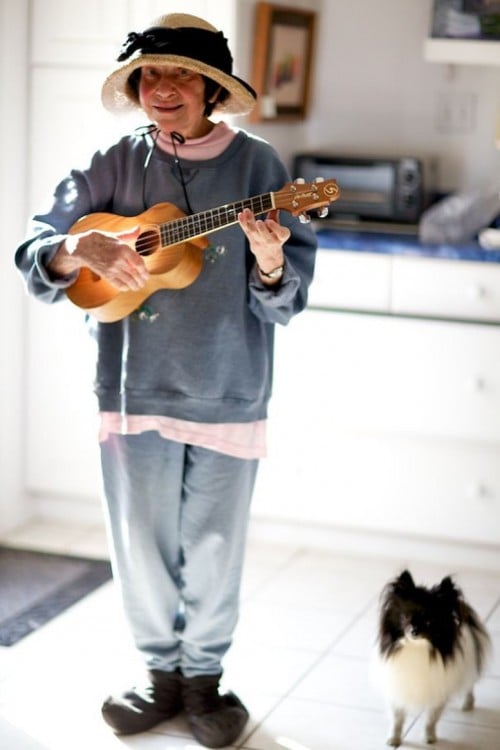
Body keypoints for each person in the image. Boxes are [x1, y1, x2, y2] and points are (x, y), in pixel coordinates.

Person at [15, 12, 317, 749]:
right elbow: (34, 253)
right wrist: (72, 247)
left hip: (227, 386)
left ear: (213, 89)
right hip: (129, 385)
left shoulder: (260, 170)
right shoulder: (112, 160)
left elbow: (286, 296)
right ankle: (159, 677)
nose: (164, 87)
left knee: (213, 544)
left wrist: (270, 258)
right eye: (151, 73)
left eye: (182, 74)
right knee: (139, 545)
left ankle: (204, 680)